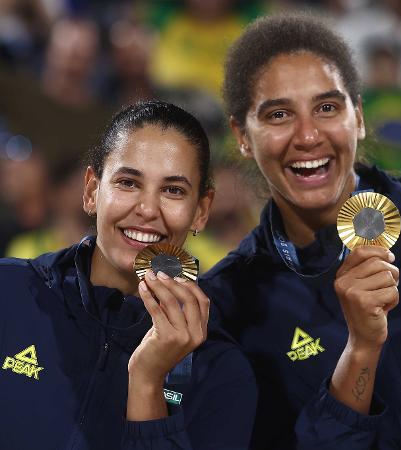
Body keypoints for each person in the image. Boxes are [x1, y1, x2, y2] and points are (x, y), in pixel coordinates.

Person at [199, 13, 401, 449]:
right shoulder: (227, 307)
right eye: (279, 115)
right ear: (242, 136)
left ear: (360, 117)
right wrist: (361, 350)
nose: (308, 135)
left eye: (327, 107)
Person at [0, 101, 257, 450]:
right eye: (128, 182)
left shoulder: (222, 373)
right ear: (92, 191)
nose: (147, 209)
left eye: (173, 190)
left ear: (201, 211)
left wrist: (148, 383)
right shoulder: (10, 293)